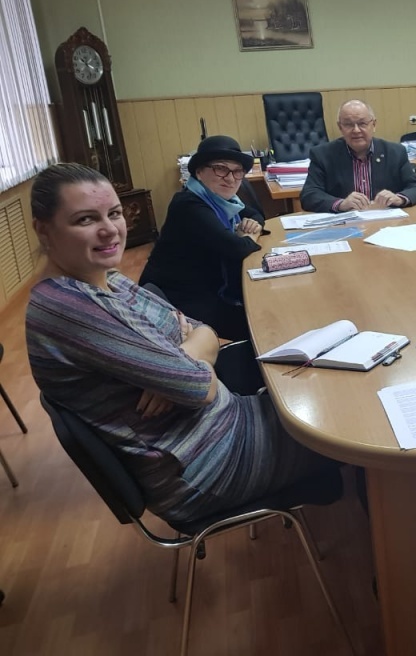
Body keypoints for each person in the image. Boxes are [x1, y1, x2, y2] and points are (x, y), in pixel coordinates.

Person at [26, 163, 337, 524]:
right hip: (206, 467)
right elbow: (200, 387)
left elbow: (202, 330)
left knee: (329, 390)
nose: (109, 229)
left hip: (222, 424)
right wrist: (185, 366)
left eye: (114, 213)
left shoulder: (103, 277)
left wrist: (179, 358)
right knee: (345, 423)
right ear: (44, 230)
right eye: (85, 219)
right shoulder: (71, 308)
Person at [140, 135, 263, 342]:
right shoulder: (188, 205)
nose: (230, 178)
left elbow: (257, 215)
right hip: (181, 299)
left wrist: (251, 228)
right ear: (199, 172)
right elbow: (237, 248)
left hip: (209, 287)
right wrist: (248, 236)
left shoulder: (225, 201)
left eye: (237, 171)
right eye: (220, 169)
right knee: (263, 322)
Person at [300, 99, 416, 213]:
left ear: (373, 125)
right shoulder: (322, 155)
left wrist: (399, 198)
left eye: (362, 123)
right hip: (345, 224)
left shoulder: (395, 152)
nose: (356, 130)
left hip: (387, 222)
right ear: (340, 127)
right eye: (348, 124)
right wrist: (341, 204)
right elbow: (309, 195)